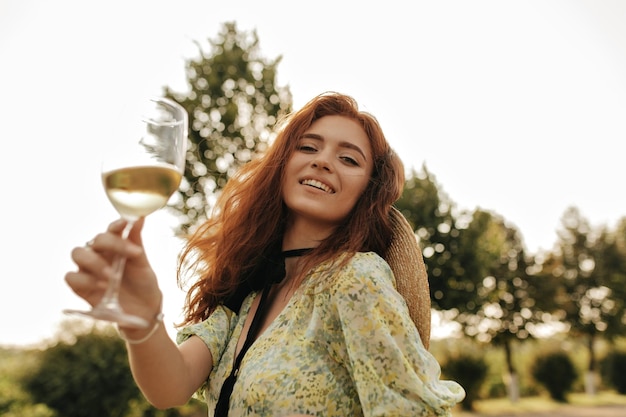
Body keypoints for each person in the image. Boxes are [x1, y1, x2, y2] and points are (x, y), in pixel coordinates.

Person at [65, 92, 466, 416]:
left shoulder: (353, 279)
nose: (323, 161)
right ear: (282, 165)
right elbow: (170, 387)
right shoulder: (248, 300)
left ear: (367, 191)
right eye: (308, 146)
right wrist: (142, 323)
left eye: (348, 158)